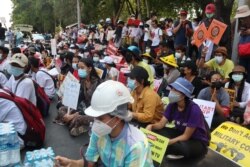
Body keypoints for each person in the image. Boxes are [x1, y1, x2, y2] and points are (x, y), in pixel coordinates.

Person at [55, 80, 154, 167]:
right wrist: (72, 163)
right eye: (95, 117)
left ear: (117, 118)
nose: (95, 122)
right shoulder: (99, 132)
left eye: (100, 118)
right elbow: (90, 162)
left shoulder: (135, 146)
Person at [146, 77, 209, 160]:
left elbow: (186, 136)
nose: (171, 91)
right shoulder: (172, 105)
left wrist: (169, 142)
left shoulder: (194, 109)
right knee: (156, 132)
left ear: (183, 95)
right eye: (172, 89)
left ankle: (177, 152)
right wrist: (151, 126)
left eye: (175, 90)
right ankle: (172, 150)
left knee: (180, 148)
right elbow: (161, 124)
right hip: (180, 133)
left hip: (196, 140)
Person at [56, 58, 101, 136]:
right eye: (79, 68)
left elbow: (94, 106)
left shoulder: (97, 84)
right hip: (83, 108)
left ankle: (80, 125)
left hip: (94, 112)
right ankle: (74, 122)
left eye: (82, 68)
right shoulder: (83, 81)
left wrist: (74, 115)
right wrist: (70, 111)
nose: (80, 70)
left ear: (90, 68)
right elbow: (79, 98)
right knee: (62, 109)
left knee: (77, 119)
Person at [235, 5, 250, 83]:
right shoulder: (240, 25)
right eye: (241, 18)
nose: (242, 20)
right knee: (241, 75)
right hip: (242, 55)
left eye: (244, 18)